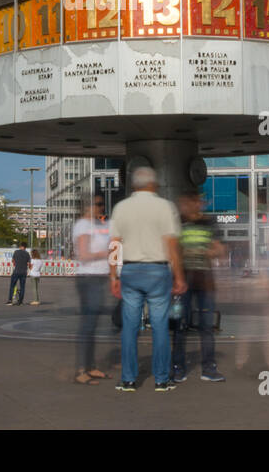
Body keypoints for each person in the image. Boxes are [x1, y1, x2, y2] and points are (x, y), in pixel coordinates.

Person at [109, 167, 186, 392]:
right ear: (153, 184)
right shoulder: (165, 207)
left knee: (130, 327)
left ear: (134, 184)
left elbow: (115, 243)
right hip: (157, 271)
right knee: (160, 326)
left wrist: (113, 275)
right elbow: (171, 244)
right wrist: (178, 276)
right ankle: (161, 379)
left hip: (131, 271)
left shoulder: (121, 207)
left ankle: (128, 379)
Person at [171, 192, 225, 383]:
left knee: (206, 326)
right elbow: (173, 250)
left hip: (204, 281)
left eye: (194, 201)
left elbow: (220, 249)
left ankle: (208, 368)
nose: (190, 205)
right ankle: (178, 367)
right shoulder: (178, 223)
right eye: (187, 202)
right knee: (180, 324)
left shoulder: (210, 223)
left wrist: (212, 251)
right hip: (182, 281)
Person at [72, 195, 111, 385]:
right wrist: (106, 253)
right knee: (88, 325)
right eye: (98, 204)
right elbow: (84, 254)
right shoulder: (83, 225)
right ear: (88, 207)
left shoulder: (98, 225)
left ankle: (91, 366)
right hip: (89, 278)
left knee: (92, 324)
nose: (102, 207)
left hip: (99, 277)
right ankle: (81, 370)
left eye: (103, 204)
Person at [8, 241, 30, 305]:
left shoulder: (16, 252)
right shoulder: (27, 254)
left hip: (16, 271)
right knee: (22, 287)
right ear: (25, 247)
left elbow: (13, 261)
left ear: (21, 246)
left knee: (12, 286)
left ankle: (10, 300)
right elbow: (28, 263)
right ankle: (20, 301)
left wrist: (16, 263)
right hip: (23, 272)